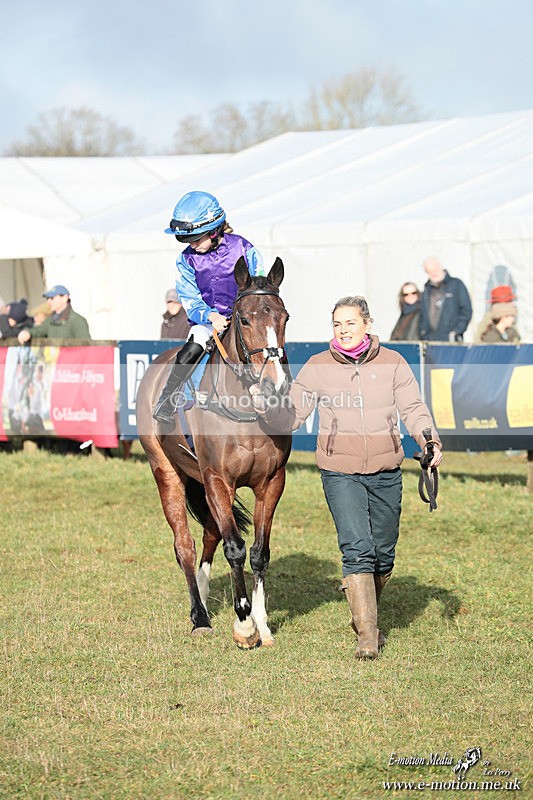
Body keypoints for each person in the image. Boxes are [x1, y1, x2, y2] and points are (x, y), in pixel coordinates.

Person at [249, 295, 442, 661]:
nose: (343, 330)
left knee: (383, 554)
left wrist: (429, 441)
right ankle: (367, 635)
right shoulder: (319, 366)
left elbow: (414, 409)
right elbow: (292, 415)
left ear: (367, 324)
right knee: (357, 548)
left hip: (387, 470)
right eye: (337, 324)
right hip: (340, 471)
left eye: (350, 323)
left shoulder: (393, 363)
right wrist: (266, 408)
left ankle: (366, 609)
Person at [152, 190, 264, 423]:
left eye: (196, 239)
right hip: (208, 322)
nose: (192, 245)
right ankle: (167, 398)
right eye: (187, 240)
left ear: (214, 231)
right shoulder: (186, 260)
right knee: (192, 348)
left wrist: (242, 317)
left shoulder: (244, 249)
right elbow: (189, 297)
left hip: (246, 321)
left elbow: (259, 286)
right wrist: (210, 316)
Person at [419, 256, 472, 341]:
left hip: (450, 341)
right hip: (430, 340)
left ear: (440, 267)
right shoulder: (427, 290)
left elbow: (466, 310)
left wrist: (456, 332)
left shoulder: (456, 285)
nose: (433, 274)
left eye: (435, 270)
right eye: (429, 272)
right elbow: (422, 314)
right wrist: (423, 332)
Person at [18, 285, 91, 343]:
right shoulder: (50, 320)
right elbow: (39, 331)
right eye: (48, 298)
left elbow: (85, 348)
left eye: (52, 298)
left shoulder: (77, 321)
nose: (48, 302)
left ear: (65, 298)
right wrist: (27, 333)